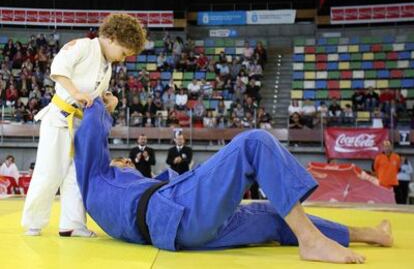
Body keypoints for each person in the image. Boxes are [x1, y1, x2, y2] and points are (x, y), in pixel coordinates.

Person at [74, 98, 393, 264]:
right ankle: (311, 241)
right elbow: (89, 141)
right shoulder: (98, 185)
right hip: (177, 211)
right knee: (254, 142)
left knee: (273, 216)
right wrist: (101, 105)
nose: (125, 161)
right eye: (121, 161)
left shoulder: (126, 190)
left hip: (185, 230)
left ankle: (369, 234)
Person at [21, 13, 147, 237]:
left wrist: (109, 98)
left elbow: (97, 91)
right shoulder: (83, 46)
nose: (122, 59)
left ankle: (72, 224)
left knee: (77, 175)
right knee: (49, 172)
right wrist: (76, 92)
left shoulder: (106, 65)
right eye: (123, 52)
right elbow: (59, 69)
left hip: (82, 125)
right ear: (113, 38)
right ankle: (34, 222)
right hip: (59, 119)